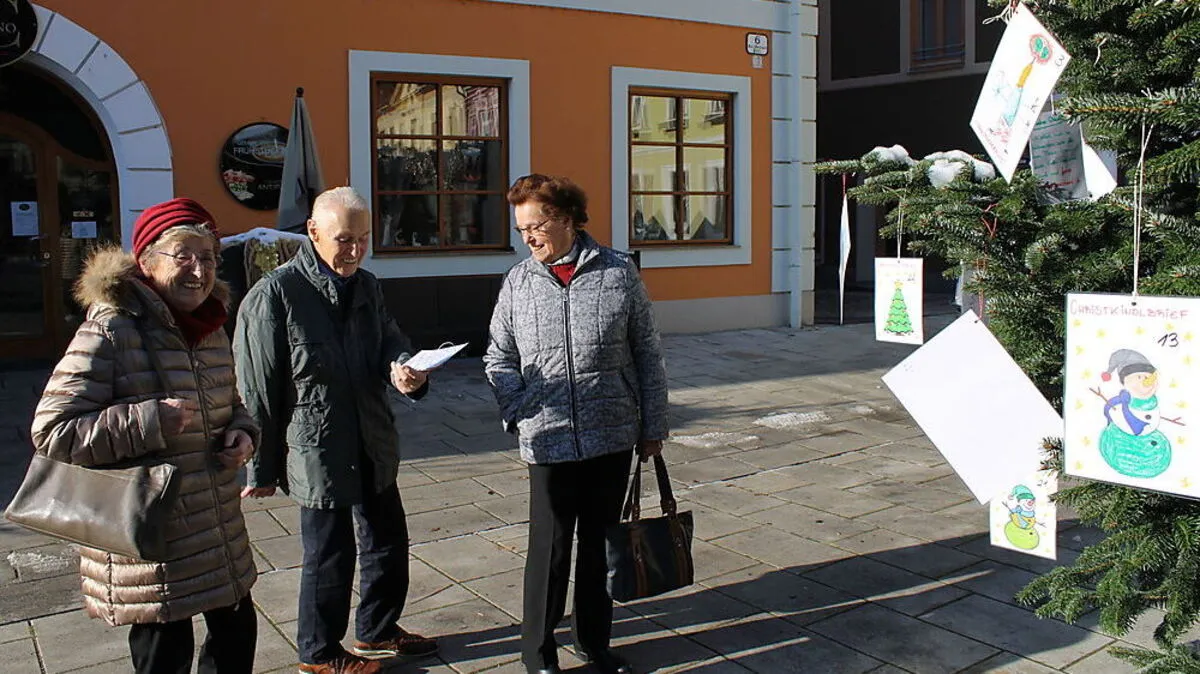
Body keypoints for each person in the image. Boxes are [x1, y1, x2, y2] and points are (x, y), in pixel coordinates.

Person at [31, 197, 260, 674]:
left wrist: (242, 433)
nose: (199, 270)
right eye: (184, 256)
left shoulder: (213, 324)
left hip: (217, 525)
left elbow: (232, 403)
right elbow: (52, 431)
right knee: (164, 657)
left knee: (236, 639)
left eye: (209, 257)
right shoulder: (112, 329)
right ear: (147, 259)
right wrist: (149, 421)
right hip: (155, 541)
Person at [233, 187, 438, 674]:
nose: (354, 251)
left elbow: (390, 339)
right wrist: (260, 467)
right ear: (314, 232)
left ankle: (377, 629)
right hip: (318, 445)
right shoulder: (274, 296)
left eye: (363, 239)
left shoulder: (366, 286)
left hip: (371, 435)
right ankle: (320, 654)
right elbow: (258, 389)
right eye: (345, 239)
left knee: (388, 541)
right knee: (329, 555)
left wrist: (404, 368)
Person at [484, 174, 669, 674]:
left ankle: (594, 643)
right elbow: (497, 356)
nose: (528, 238)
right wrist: (517, 404)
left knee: (599, 548)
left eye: (535, 226)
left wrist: (653, 425)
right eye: (521, 229)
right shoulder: (518, 282)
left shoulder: (617, 272)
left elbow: (647, 353)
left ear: (566, 219)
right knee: (548, 551)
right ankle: (538, 655)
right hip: (547, 439)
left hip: (611, 434)